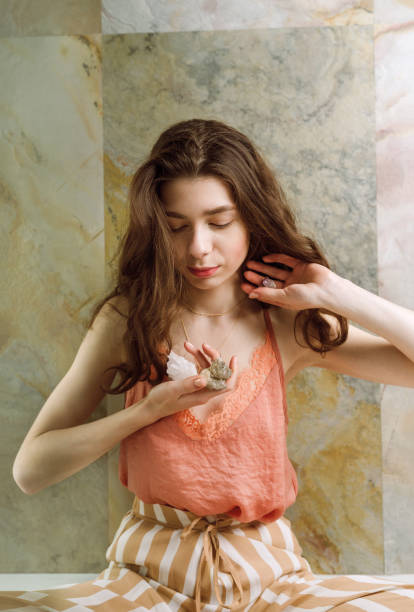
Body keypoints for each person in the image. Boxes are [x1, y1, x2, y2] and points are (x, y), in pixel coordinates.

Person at [2, 118, 414, 611]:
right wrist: (144, 412)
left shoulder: (285, 324)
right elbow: (30, 470)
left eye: (219, 222)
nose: (199, 247)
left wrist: (338, 294)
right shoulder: (127, 321)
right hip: (146, 577)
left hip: (269, 581)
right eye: (177, 226)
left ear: (251, 219)